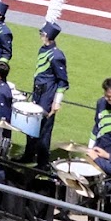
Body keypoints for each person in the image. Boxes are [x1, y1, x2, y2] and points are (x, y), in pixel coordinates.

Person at [22, 15, 69, 167]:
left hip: (47, 95)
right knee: (31, 124)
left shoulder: (56, 55)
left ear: (48, 36)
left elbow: (63, 80)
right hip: (37, 92)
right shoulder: (43, 49)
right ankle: (28, 154)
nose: (40, 36)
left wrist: (57, 102)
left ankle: (42, 163)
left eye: (42, 34)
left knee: (44, 130)